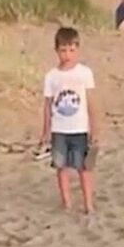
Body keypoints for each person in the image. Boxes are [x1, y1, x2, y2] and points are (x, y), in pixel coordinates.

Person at [39, 27, 98, 214]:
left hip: (80, 128)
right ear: (57, 50)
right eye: (63, 50)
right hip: (59, 129)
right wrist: (45, 131)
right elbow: (48, 105)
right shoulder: (51, 76)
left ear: (78, 49)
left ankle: (88, 204)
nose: (67, 54)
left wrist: (95, 128)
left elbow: (91, 102)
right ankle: (66, 203)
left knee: (84, 168)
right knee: (61, 167)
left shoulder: (84, 73)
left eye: (72, 50)